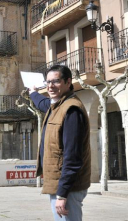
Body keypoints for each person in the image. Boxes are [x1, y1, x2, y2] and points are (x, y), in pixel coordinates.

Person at [28, 65, 91, 221]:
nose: (50, 86)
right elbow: (43, 103)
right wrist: (33, 93)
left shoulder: (71, 110)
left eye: (56, 81)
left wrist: (62, 194)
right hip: (60, 184)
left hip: (67, 188)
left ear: (68, 82)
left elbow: (73, 156)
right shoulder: (56, 106)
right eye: (48, 82)